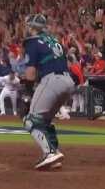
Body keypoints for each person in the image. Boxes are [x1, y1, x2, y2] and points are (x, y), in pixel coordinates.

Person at [21, 14, 75, 170]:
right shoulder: (54, 40)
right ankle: (55, 153)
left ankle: (50, 152)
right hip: (67, 81)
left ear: (31, 27)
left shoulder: (32, 41)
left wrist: (27, 93)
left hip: (52, 81)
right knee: (45, 121)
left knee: (31, 120)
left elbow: (30, 72)